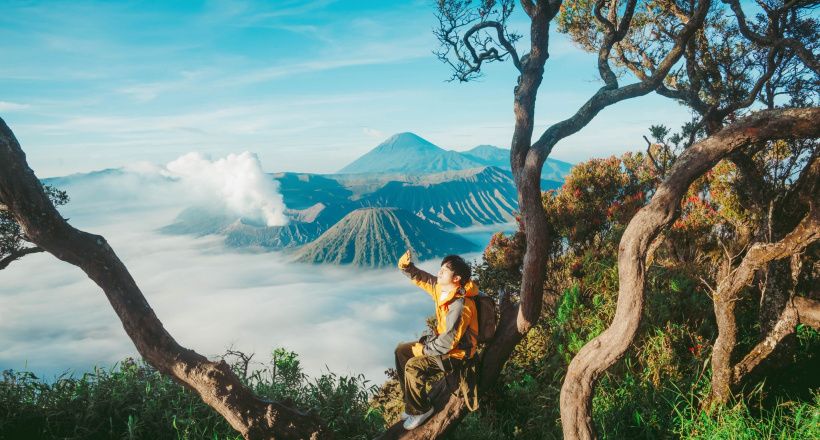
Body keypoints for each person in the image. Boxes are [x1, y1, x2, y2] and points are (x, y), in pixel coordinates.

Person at [394, 250, 479, 430]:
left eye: (446, 270)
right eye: (441, 268)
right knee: (401, 351)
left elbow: (448, 343)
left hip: (457, 354)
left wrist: (423, 350)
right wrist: (406, 267)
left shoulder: (460, 305)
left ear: (457, 279)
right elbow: (423, 278)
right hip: (442, 345)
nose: (440, 272)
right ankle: (411, 403)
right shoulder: (441, 289)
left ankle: (421, 409)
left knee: (413, 365)